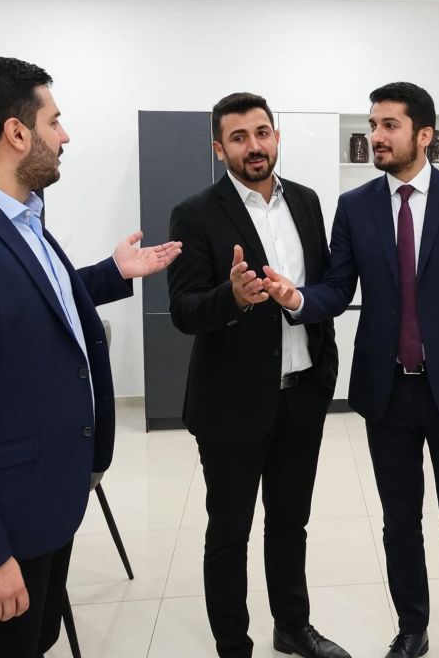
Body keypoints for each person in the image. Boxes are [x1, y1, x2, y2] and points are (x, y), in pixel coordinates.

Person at [0, 56, 180, 656]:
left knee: (35, 641)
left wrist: (113, 273)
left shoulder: (22, 221)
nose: (64, 136)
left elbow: (34, 306)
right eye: (55, 121)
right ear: (16, 134)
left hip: (45, 502)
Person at [263, 82, 439, 658]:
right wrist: (294, 298)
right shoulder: (356, 206)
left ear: (425, 135)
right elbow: (336, 288)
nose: (376, 135)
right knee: (400, 524)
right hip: (386, 393)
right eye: (373, 124)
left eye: (389, 125)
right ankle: (412, 628)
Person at [166, 92, 349, 658]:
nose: (254, 146)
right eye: (239, 137)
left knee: (290, 523)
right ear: (219, 148)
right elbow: (183, 310)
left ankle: (292, 626)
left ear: (276, 136)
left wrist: (298, 299)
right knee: (229, 534)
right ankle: (233, 645)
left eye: (262, 133)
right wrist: (234, 297)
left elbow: (322, 290)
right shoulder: (195, 213)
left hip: (302, 395)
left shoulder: (309, 203)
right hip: (232, 404)